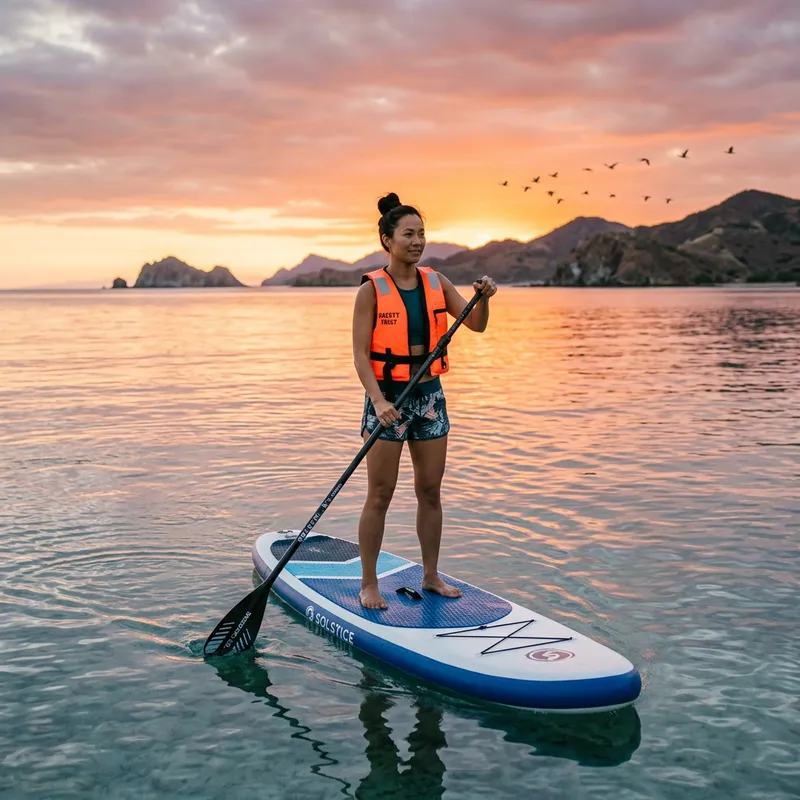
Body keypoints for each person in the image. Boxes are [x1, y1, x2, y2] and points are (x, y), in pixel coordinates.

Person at [352, 192, 497, 609]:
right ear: (387, 240)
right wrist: (378, 402)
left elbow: (476, 325)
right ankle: (368, 583)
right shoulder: (371, 290)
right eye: (408, 234)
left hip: (429, 400)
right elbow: (361, 355)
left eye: (422, 234)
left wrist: (483, 298)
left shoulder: (438, 282)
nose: (417, 241)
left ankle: (432, 576)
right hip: (388, 402)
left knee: (430, 492)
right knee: (380, 495)